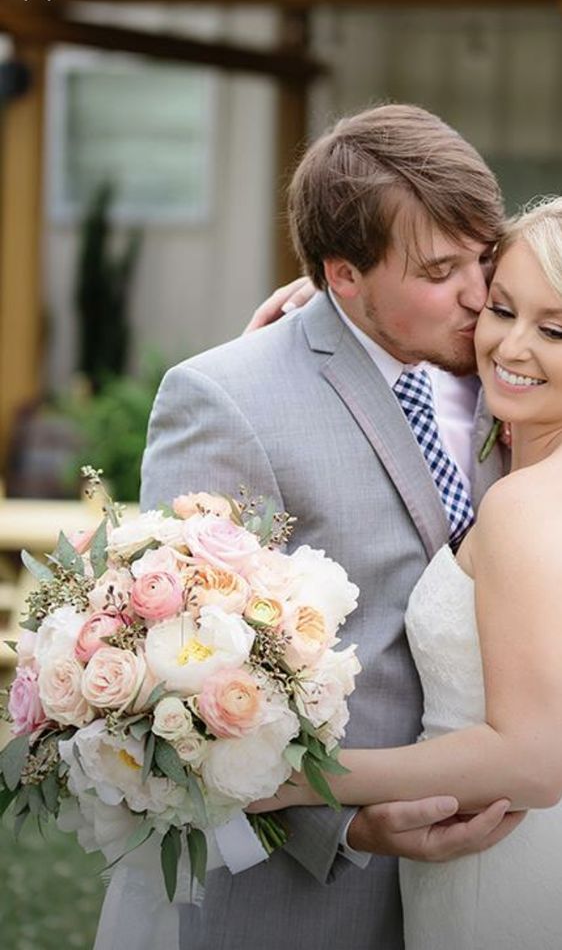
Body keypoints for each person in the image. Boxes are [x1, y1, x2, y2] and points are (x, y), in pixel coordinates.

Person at [139, 103, 520, 950]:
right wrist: (348, 826)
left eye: (485, 256)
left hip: (505, 869)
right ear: (343, 275)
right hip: (315, 893)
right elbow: (181, 692)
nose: (479, 292)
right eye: (440, 270)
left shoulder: (517, 362)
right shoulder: (227, 399)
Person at [251, 196, 562, 949]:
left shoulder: (523, 504)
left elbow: (533, 759)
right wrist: (336, 314)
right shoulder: (511, 457)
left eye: (555, 330)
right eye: (500, 309)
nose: (512, 345)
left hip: (501, 868)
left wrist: (293, 779)